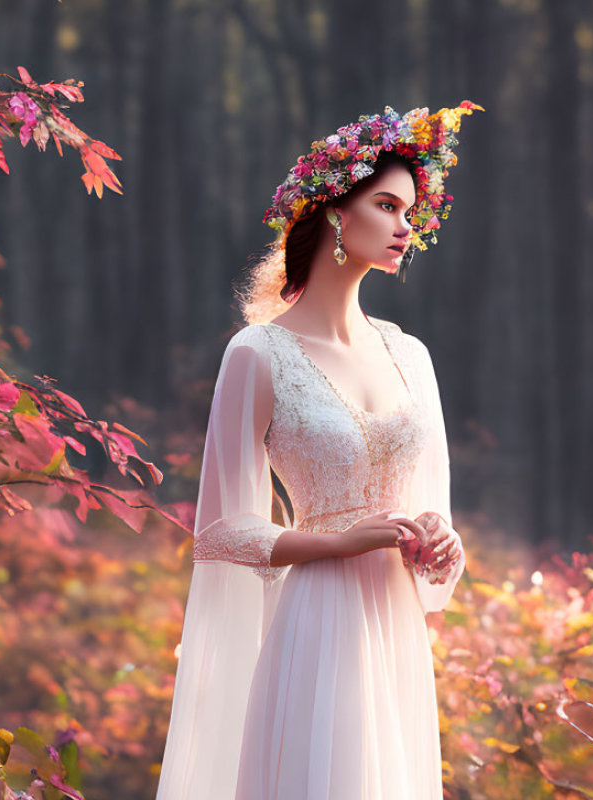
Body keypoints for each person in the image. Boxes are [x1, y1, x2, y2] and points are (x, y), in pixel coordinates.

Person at [155, 101, 482, 800]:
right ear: (335, 211)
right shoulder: (258, 353)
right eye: (388, 205)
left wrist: (439, 538)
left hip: (394, 624)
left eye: (411, 211)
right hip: (316, 621)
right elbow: (219, 533)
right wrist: (334, 543)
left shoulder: (410, 354)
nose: (405, 226)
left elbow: (430, 502)